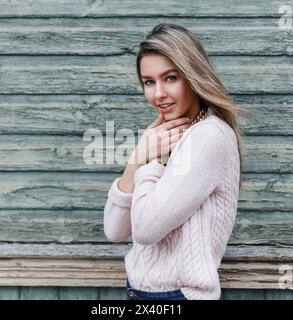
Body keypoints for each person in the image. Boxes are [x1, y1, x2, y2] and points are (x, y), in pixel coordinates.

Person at [103, 23, 246, 300]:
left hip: (179, 296)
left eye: (170, 78)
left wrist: (152, 160)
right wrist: (136, 161)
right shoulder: (163, 137)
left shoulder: (209, 136)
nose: (158, 94)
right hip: (140, 293)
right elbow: (114, 230)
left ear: (193, 76)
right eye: (149, 82)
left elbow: (144, 230)